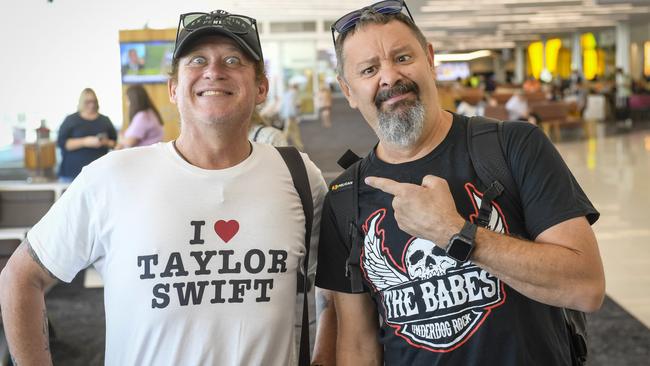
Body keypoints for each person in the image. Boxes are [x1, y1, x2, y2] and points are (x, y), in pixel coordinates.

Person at [0, 9, 328, 366]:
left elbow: (333, 287)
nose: (214, 70)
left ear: (261, 87)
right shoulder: (113, 177)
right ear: (173, 89)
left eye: (233, 60)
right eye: (197, 60)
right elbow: (21, 277)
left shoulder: (298, 176)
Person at [315, 1, 605, 365]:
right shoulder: (345, 198)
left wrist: (455, 233)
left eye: (403, 58)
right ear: (348, 91)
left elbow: (586, 287)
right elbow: (358, 347)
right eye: (369, 69)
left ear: (430, 59)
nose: (389, 77)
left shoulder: (513, 145)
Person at [56, 88, 117, 181]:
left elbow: (114, 143)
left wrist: (104, 142)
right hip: (72, 174)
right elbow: (62, 143)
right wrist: (85, 142)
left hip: (99, 174)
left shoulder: (105, 120)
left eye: (93, 101)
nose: (91, 105)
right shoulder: (71, 120)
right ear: (82, 102)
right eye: (88, 102)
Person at [116, 84, 165, 149]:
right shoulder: (149, 113)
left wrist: (120, 138)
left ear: (133, 100)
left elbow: (130, 142)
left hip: (144, 156)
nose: (127, 103)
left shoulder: (143, 116)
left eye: (128, 100)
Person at [280, 83, 305, 150]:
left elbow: (283, 104)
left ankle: (299, 145)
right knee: (288, 130)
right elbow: (298, 104)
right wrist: (298, 113)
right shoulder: (295, 93)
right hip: (291, 113)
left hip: (287, 113)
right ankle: (280, 144)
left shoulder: (286, 94)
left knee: (293, 129)